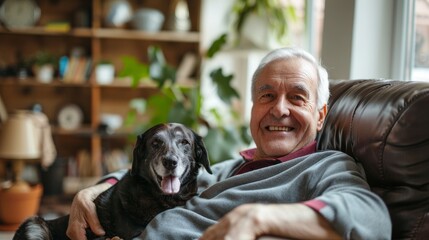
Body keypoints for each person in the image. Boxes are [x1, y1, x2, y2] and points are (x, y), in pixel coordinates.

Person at [66, 47, 391, 240]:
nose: (279, 109)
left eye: (296, 97)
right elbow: (149, 174)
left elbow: (371, 218)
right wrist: (94, 191)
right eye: (267, 96)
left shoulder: (326, 164)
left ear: (320, 116)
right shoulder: (230, 168)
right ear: (253, 109)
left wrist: (256, 218)